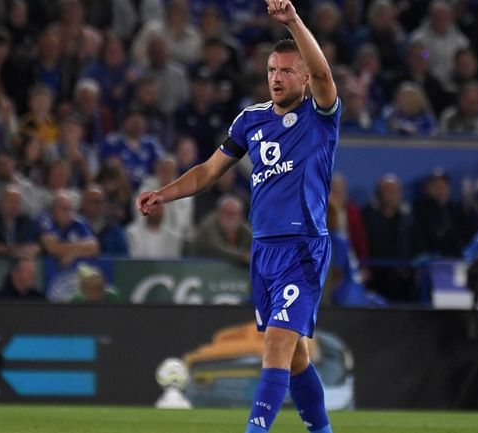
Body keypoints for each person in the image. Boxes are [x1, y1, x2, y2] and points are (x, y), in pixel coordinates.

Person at [137, 2, 338, 431]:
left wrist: (293, 22)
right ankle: (322, 430)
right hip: (263, 248)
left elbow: (324, 75)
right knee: (295, 354)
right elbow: (209, 172)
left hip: (302, 246)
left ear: (303, 76)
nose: (277, 78)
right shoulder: (251, 121)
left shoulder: (319, 116)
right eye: (271, 71)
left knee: (276, 347)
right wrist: (163, 195)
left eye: (287, 71)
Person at [326, 200, 386, 308]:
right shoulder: (335, 238)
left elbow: (337, 273)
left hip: (346, 296)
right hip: (351, 292)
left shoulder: (336, 239)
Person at [37, 192, 100, 268]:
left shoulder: (77, 222)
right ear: (53, 210)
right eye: (63, 209)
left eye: (70, 209)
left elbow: (94, 247)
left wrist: (74, 254)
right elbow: (53, 248)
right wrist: (80, 249)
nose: (68, 213)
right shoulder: (45, 220)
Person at [0, 186, 39, 258]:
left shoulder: (24, 221)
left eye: (18, 203)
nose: (15, 206)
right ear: (1, 203)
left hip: (19, 265)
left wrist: (33, 249)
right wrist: (18, 250)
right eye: (12, 202)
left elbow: (33, 245)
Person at [192, 194, 252, 266]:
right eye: (226, 212)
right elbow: (216, 248)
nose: (230, 217)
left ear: (241, 215)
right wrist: (242, 256)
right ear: (218, 212)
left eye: (234, 213)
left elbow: (255, 243)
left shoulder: (244, 228)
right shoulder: (209, 224)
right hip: (200, 266)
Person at [80, 184, 128, 255]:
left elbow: (124, 257)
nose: (98, 205)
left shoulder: (113, 228)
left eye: (101, 202)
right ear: (84, 203)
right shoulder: (76, 225)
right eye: (95, 201)